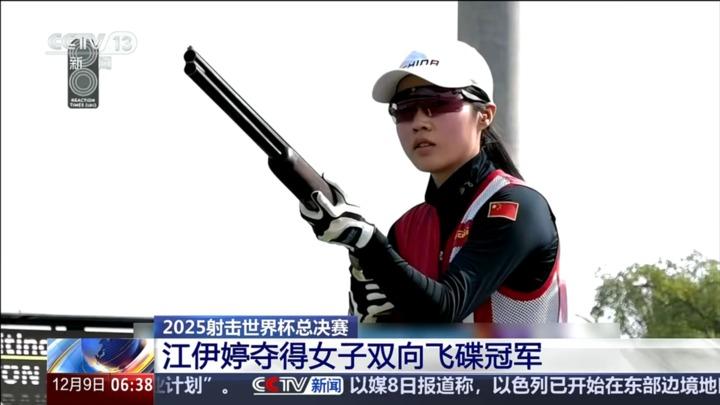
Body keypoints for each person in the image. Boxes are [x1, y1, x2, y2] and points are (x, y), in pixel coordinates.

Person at [300, 40, 566, 323]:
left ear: (485, 115)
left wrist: (366, 244)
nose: (418, 122)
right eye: (404, 108)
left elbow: (446, 309)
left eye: (438, 104)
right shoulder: (405, 228)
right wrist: (369, 324)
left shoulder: (519, 207)